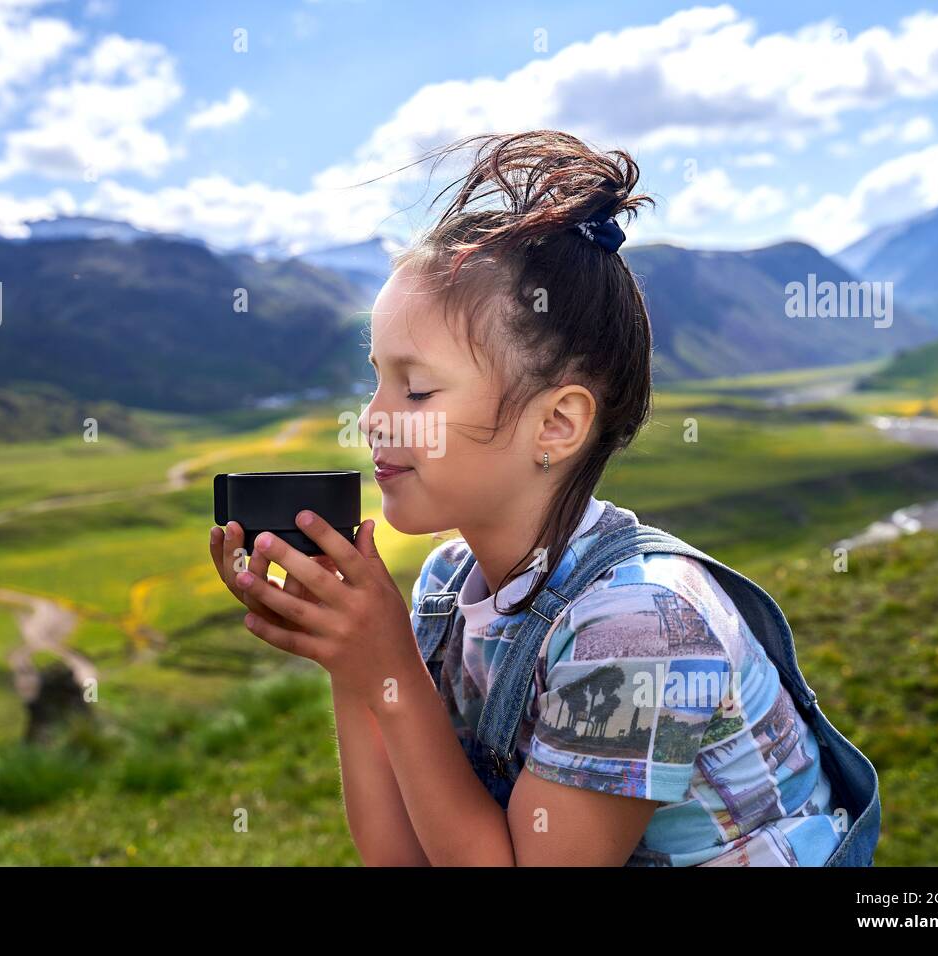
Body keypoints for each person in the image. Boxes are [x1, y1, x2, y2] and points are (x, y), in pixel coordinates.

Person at [209, 130, 849, 866]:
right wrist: (355, 663)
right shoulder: (450, 586)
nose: (375, 416)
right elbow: (400, 856)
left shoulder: (640, 629)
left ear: (557, 424)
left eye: (416, 388)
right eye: (377, 377)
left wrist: (388, 669)